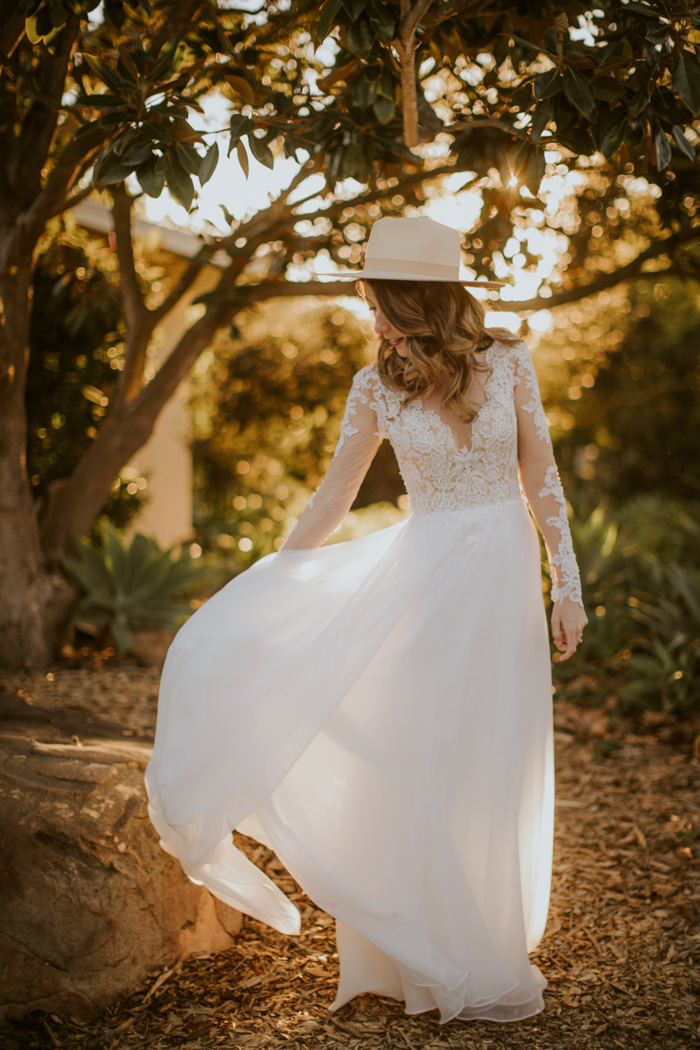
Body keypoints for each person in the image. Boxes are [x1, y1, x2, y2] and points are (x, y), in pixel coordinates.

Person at [145, 216, 588, 1024]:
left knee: (492, 753)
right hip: (425, 580)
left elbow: (541, 476)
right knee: (424, 750)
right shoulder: (373, 386)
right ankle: (416, 948)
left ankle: (484, 940)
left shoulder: (512, 361)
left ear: (421, 298)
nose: (373, 319)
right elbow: (334, 497)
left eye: (380, 302)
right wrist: (270, 580)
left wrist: (568, 586)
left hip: (500, 578)